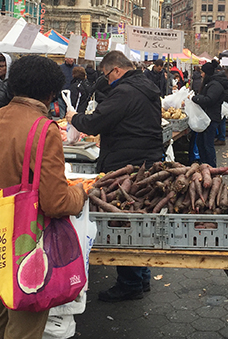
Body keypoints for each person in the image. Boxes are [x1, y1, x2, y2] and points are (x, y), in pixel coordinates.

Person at [0, 55, 87, 339]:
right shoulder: (44, 129)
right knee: (23, 331)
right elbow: (55, 201)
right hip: (22, 241)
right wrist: (79, 194)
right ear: (51, 93)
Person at [66, 51, 162, 302]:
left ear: (116, 70)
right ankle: (141, 277)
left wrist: (73, 118)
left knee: (125, 222)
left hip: (125, 164)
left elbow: (95, 123)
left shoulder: (125, 91)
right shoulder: (147, 86)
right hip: (146, 159)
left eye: (108, 77)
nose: (107, 82)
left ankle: (130, 283)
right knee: (139, 219)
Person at [191, 60, 226, 167]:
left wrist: (195, 98)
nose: (201, 74)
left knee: (208, 145)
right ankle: (204, 165)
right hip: (206, 118)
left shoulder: (215, 85)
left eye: (203, 72)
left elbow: (209, 99)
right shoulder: (210, 84)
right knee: (201, 143)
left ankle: (211, 167)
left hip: (211, 118)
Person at [213, 67, 228, 146]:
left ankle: (221, 138)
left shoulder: (219, 83)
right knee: (222, 121)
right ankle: (220, 137)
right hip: (226, 103)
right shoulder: (225, 81)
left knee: (221, 122)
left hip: (222, 103)